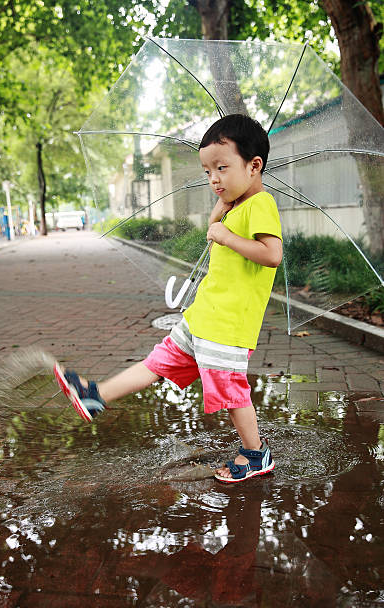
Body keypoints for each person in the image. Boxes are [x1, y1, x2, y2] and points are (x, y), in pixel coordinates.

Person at [54, 113, 283, 483]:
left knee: (230, 389)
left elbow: (272, 254)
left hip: (227, 325)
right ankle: (96, 395)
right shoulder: (236, 206)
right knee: (157, 362)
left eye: (222, 168)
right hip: (202, 317)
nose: (213, 179)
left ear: (254, 166)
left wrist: (226, 237)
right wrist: (220, 216)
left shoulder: (262, 205)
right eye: (208, 171)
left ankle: (256, 454)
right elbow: (216, 231)